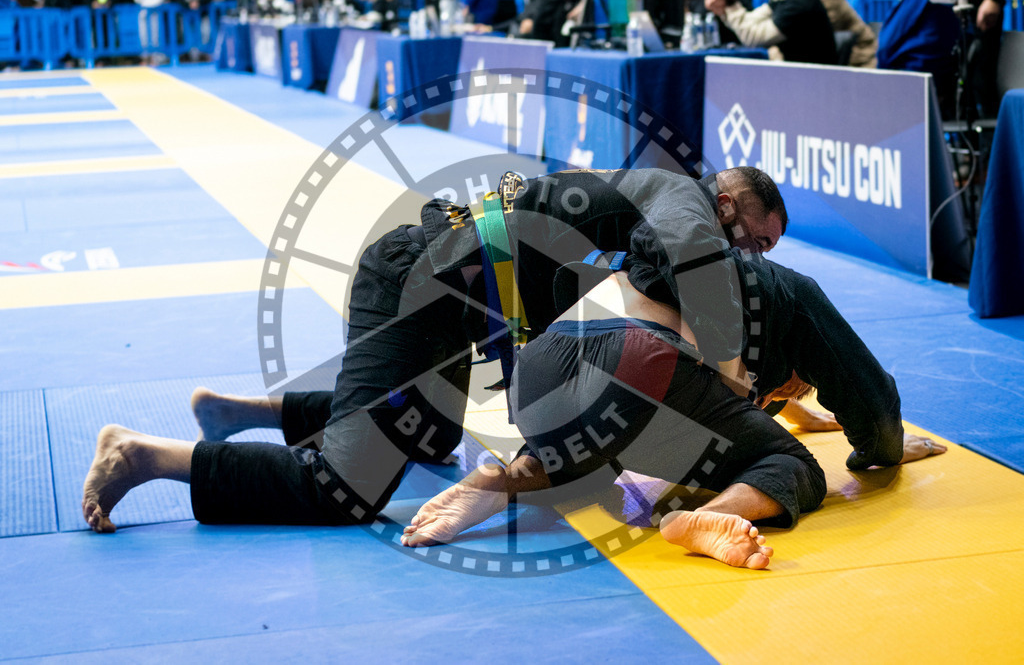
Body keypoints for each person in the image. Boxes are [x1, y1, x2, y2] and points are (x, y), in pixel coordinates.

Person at [82, 167, 787, 533]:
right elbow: (700, 263)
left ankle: (245, 409)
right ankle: (147, 454)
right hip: (416, 287)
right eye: (754, 238)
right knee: (347, 490)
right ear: (727, 204)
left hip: (457, 297)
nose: (753, 255)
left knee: (434, 437)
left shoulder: (642, 224)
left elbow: (611, 317)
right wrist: (728, 371)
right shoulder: (684, 203)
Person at [399, 258, 947, 569]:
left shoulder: (673, 264)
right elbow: (872, 402)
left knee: (592, 447)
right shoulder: (795, 292)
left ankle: (499, 479)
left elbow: (757, 399)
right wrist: (883, 449)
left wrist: (799, 410)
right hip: (638, 363)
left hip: (540, 370)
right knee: (793, 466)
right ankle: (713, 517)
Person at [705, 0, 838, 65]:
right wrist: (725, 8)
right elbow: (748, 20)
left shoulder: (800, 5)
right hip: (796, 75)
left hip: (813, 81)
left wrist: (730, 3)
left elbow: (752, 38)